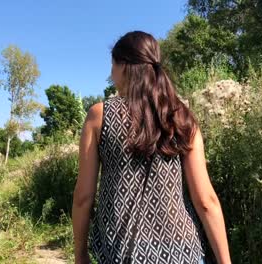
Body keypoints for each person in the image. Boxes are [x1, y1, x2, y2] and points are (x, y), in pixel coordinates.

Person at [72, 31, 231, 264]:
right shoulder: (181, 117)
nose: (111, 75)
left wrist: (80, 254)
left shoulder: (100, 115)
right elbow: (206, 200)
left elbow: (83, 197)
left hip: (123, 251)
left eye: (112, 66)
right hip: (183, 250)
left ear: (124, 65)